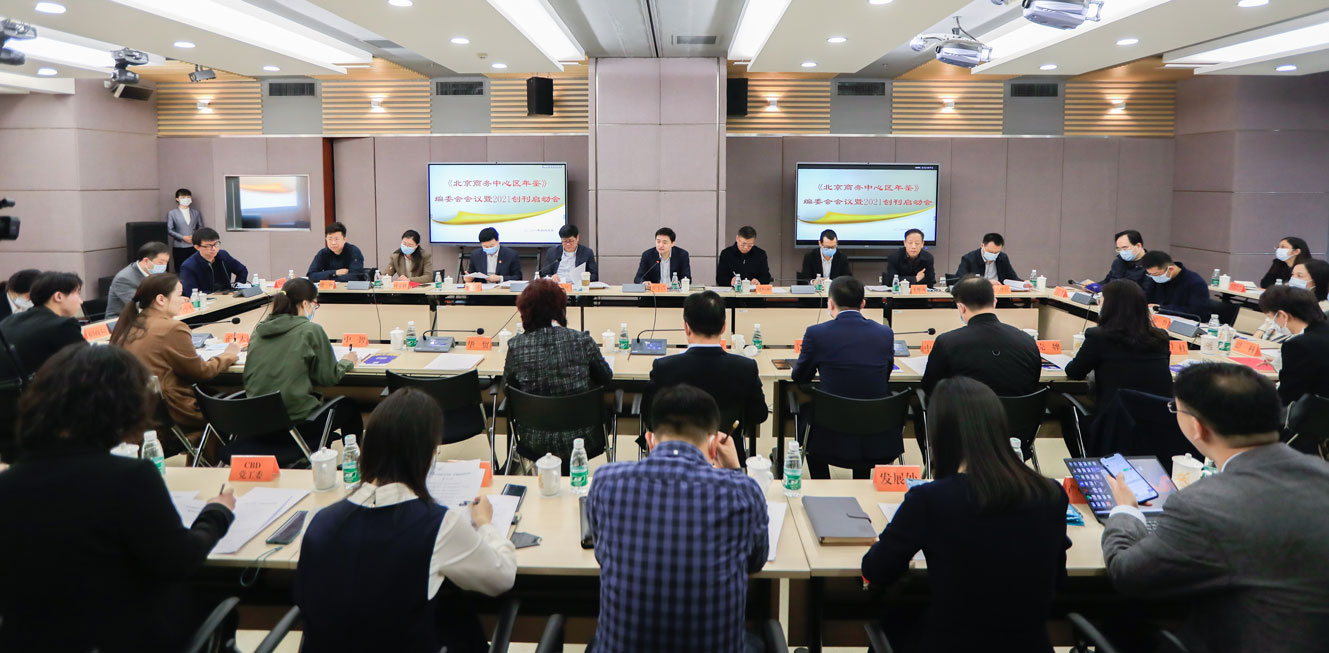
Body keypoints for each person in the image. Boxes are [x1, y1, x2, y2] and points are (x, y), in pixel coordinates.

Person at [0, 344, 235, 651]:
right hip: (123, 638)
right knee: (216, 601)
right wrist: (217, 512)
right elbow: (180, 560)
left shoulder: (9, 483)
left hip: (31, 641)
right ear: (126, 407)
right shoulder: (129, 478)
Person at [1101, 363, 1329, 653]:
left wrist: (1126, 511)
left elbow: (1127, 573)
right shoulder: (1321, 472)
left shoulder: (1201, 505)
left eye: (1176, 409)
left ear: (1198, 427)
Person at [296, 388, 516, 653]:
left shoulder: (318, 521)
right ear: (426, 456)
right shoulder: (438, 525)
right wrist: (485, 525)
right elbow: (502, 576)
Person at [862, 377, 1068, 653]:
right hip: (1030, 644)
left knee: (896, 617)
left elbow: (876, 571)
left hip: (950, 643)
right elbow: (1058, 581)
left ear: (940, 435)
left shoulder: (930, 499)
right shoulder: (1051, 494)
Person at [587, 384, 764, 653]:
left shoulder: (606, 481)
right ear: (714, 446)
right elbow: (756, 560)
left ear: (649, 441)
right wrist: (735, 470)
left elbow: (602, 553)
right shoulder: (743, 491)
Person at [243, 278, 362, 460]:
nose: (314, 308)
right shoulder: (311, 330)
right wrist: (346, 362)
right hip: (296, 425)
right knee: (350, 406)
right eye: (315, 303)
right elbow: (328, 378)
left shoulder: (259, 331)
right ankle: (355, 463)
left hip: (256, 425)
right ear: (305, 303)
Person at [643, 290, 768, 461]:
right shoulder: (746, 367)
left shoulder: (664, 368)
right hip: (726, 457)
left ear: (686, 327)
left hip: (676, 458)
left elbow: (649, 418)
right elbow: (759, 414)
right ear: (724, 327)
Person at [791, 276, 897, 478]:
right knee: (863, 401)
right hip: (875, 430)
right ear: (863, 304)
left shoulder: (816, 333)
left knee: (807, 410)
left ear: (830, 304)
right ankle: (861, 479)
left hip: (828, 434)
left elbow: (800, 377)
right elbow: (885, 376)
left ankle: (821, 481)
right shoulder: (885, 333)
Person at [109, 273, 240, 432]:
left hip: (141, 412)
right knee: (243, 397)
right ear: (161, 299)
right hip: (177, 412)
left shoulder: (130, 324)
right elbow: (201, 372)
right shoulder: (172, 328)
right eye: (179, 294)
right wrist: (228, 355)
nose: (184, 299)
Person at [503, 279, 612, 465]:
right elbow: (606, 377)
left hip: (534, 440)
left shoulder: (517, 346)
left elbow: (508, 388)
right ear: (559, 308)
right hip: (583, 437)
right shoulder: (581, 340)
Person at [922, 276, 1041, 399]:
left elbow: (930, 388)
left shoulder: (946, 342)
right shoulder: (1027, 341)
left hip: (964, 410)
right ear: (994, 302)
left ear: (961, 307)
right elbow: (1034, 384)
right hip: (1018, 411)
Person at [1064, 280, 1173, 409]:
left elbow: (1075, 373)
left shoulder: (1098, 336)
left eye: (1101, 300)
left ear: (1109, 306)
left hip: (1116, 415)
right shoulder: (1160, 336)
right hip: (1158, 415)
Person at [0, 271, 85, 382]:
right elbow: (89, 365)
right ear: (58, 296)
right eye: (78, 294)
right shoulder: (62, 325)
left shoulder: (8, 321)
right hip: (36, 390)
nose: (81, 301)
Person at [1257, 285, 1329, 406]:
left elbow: (1287, 396)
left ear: (1283, 315)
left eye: (1270, 317)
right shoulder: (1323, 331)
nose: (1272, 323)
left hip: (1310, 412)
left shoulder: (1298, 345)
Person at [1140, 250, 1211, 321]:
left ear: (1170, 269)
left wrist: (1162, 309)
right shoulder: (1156, 279)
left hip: (1185, 323)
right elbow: (1146, 299)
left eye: (1156, 274)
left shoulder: (1195, 283)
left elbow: (1198, 312)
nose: (1154, 277)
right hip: (1158, 320)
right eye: (1150, 274)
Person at [105, 241, 171, 317]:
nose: (164, 266)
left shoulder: (161, 273)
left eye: (166, 262)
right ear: (146, 261)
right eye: (161, 263)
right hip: (124, 320)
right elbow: (140, 305)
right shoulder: (124, 279)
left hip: (154, 316)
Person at [179, 227, 248, 296]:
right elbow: (190, 292)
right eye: (208, 246)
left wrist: (237, 289)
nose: (214, 248)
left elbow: (242, 270)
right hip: (207, 300)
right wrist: (218, 295)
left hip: (228, 296)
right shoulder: (188, 266)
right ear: (197, 247)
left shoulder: (223, 255)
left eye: (216, 244)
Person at [956, 233, 1021, 285]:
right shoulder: (969, 258)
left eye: (996, 252)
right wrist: (986, 282)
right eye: (990, 252)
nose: (993, 254)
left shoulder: (1002, 258)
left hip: (999, 294)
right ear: (982, 246)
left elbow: (1012, 278)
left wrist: (1023, 283)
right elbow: (960, 280)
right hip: (976, 294)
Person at [166, 188, 204, 272]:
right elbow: (169, 229)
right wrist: (182, 237)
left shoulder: (196, 212)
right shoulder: (172, 213)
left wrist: (194, 236)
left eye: (188, 197)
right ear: (177, 199)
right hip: (179, 246)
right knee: (180, 269)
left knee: (195, 268)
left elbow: (201, 227)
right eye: (183, 197)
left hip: (194, 245)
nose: (186, 199)